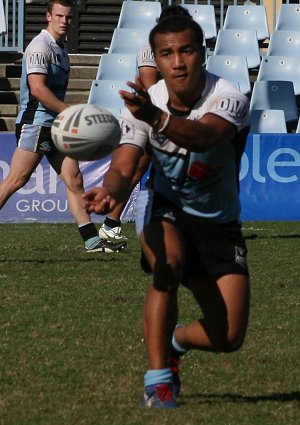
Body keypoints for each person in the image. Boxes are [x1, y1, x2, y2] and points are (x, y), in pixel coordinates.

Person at [82, 15, 250, 408]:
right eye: (167, 53)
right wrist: (109, 191)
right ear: (155, 59)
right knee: (166, 268)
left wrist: (155, 118)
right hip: (167, 207)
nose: (177, 62)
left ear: (202, 53)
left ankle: (174, 340)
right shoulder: (147, 104)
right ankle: (158, 381)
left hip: (219, 223)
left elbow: (206, 136)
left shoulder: (228, 97)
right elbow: (125, 164)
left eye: (186, 51)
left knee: (229, 337)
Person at [0, 0, 126, 253]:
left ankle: (92, 241)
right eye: (59, 16)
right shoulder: (39, 46)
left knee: (74, 179)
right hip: (36, 124)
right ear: (48, 16)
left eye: (68, 17)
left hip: (56, 125)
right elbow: (37, 88)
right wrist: (69, 112)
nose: (64, 21)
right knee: (17, 180)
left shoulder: (60, 48)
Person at [99, 5, 192, 242]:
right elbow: (152, 89)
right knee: (133, 170)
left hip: (166, 117)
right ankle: (111, 224)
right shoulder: (150, 50)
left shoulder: (186, 51)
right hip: (145, 117)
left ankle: (125, 222)